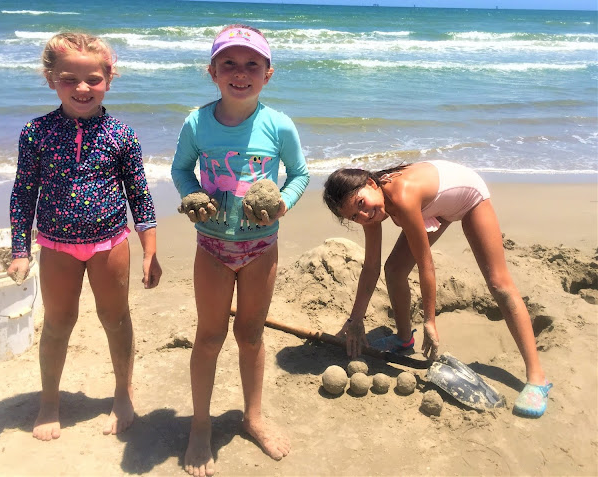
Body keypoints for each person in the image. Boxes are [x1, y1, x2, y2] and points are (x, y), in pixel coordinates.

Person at [7, 32, 162, 441]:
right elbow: (23, 194)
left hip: (110, 243)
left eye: (93, 79)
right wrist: (20, 250)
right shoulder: (36, 133)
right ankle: (49, 402)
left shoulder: (121, 135)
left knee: (116, 318)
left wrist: (149, 251)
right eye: (68, 79)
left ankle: (123, 392)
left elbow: (140, 196)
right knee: (58, 323)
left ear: (109, 79)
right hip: (56, 245)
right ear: (50, 80)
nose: (82, 88)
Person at [172, 24, 309, 476]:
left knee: (251, 336)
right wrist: (193, 195)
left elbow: (300, 174)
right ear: (212, 72)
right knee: (209, 337)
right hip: (212, 247)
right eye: (228, 63)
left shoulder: (278, 124)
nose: (240, 72)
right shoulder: (197, 123)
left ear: (268, 74)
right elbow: (180, 170)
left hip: (261, 249)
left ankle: (253, 416)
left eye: (252, 64)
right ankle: (200, 425)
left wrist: (282, 204)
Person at [323, 160, 552, 418]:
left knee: (499, 284)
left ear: (371, 184)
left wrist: (430, 321)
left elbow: (426, 264)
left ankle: (537, 378)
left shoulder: (403, 195)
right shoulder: (373, 209)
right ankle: (403, 338)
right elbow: (371, 267)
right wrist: (355, 319)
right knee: (394, 269)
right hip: (437, 206)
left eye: (361, 204)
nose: (364, 215)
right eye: (354, 216)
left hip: (468, 196)